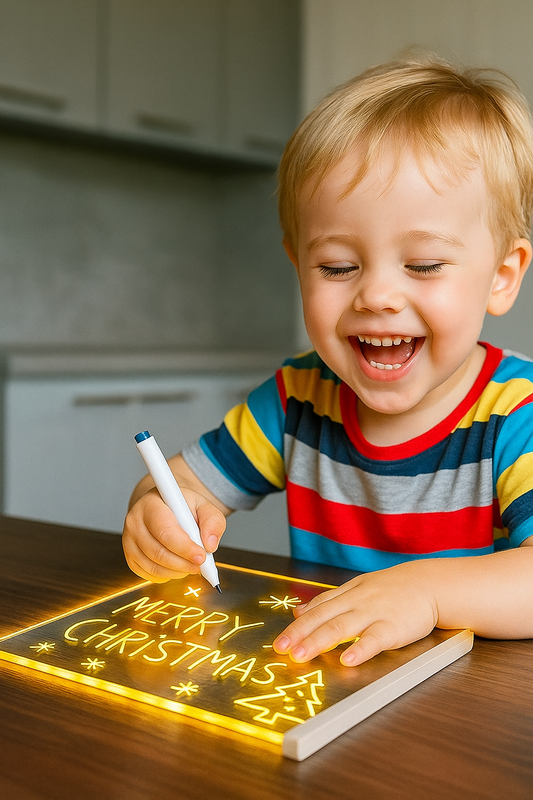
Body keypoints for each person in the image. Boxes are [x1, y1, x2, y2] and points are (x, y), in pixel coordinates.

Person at [123, 53, 533, 668]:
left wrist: (423, 591)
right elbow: (178, 482)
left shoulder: (517, 414)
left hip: (464, 712)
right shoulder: (296, 398)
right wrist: (158, 514)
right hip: (323, 691)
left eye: (422, 264)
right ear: (298, 266)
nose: (376, 296)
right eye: (337, 267)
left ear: (501, 278)